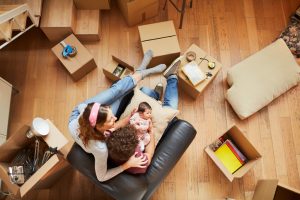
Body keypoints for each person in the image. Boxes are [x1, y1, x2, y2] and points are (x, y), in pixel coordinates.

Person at [68, 50, 167, 182]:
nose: (115, 117)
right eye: (110, 118)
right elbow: (101, 177)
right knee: (120, 95)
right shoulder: (101, 149)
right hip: (83, 120)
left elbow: (82, 108)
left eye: (109, 112)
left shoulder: (85, 110)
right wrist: (127, 165)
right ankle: (140, 72)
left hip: (78, 112)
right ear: (100, 127)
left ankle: (141, 71)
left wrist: (128, 117)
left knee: (117, 91)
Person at [107, 57, 182, 174]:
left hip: (136, 120)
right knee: (170, 107)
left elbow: (115, 126)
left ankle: (155, 95)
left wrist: (130, 117)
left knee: (145, 91)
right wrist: (151, 131)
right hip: (147, 134)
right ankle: (172, 77)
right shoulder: (139, 164)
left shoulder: (108, 140)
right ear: (136, 145)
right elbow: (150, 153)